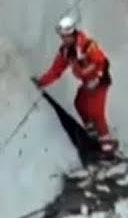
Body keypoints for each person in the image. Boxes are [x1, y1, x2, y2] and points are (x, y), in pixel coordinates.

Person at [34, 16, 117, 154]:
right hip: (87, 83)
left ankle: (107, 147)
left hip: (100, 82)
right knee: (80, 103)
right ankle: (91, 132)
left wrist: (97, 79)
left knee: (96, 112)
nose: (64, 40)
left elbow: (102, 62)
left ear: (73, 34)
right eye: (62, 37)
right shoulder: (65, 52)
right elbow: (56, 70)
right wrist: (42, 82)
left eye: (67, 36)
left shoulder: (88, 45)